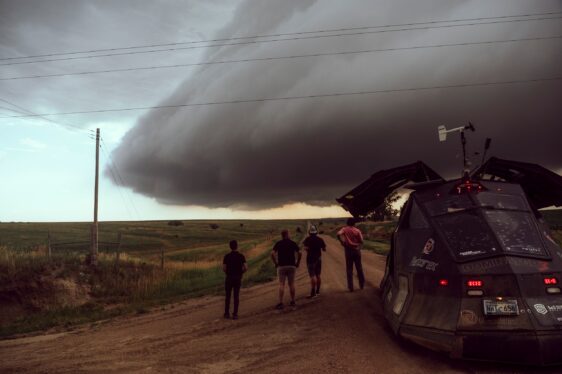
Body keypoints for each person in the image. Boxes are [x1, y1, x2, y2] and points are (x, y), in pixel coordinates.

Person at [271, 229, 302, 309]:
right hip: (291, 265)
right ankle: (293, 301)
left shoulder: (278, 243)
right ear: (287, 235)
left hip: (281, 266)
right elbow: (300, 252)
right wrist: (298, 262)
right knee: (291, 284)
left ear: (282, 235)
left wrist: (275, 263)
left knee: (281, 284)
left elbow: (272, 253)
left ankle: (281, 302)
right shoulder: (293, 243)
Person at [337, 218, 365, 292]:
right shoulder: (357, 230)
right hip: (356, 250)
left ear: (347, 223)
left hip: (348, 250)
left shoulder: (344, 229)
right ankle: (361, 284)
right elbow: (361, 241)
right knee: (359, 268)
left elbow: (338, 234)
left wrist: (341, 242)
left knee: (349, 269)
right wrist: (358, 247)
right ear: (354, 223)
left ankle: (350, 287)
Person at [222, 240, 247, 319]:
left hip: (229, 277)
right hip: (237, 277)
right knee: (236, 296)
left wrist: (228, 273)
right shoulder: (241, 256)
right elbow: (246, 267)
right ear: (237, 246)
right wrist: (241, 273)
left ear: (230, 247)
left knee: (228, 296)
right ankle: (235, 314)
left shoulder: (226, 256)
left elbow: (224, 268)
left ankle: (226, 313)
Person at [303, 224, 326, 298]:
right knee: (318, 275)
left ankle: (313, 293)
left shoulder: (307, 239)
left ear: (309, 232)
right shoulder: (320, 239)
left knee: (312, 276)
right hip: (318, 258)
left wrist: (308, 250)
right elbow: (324, 249)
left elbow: (305, 248)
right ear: (316, 232)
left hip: (310, 259)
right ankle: (318, 291)